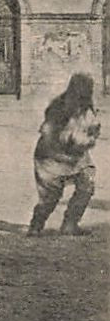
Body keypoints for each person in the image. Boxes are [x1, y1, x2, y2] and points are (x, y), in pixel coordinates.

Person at [28, 74, 99, 237]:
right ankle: (36, 225)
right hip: (51, 156)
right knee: (51, 195)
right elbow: (47, 131)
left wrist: (90, 136)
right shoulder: (58, 107)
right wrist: (71, 138)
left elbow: (90, 131)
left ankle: (70, 224)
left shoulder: (86, 108)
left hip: (75, 155)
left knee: (86, 184)